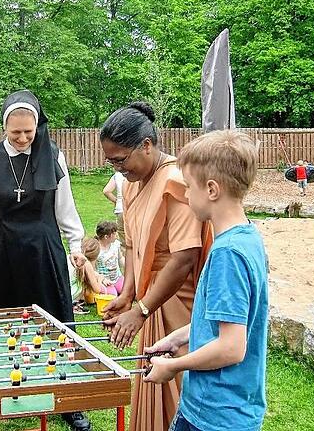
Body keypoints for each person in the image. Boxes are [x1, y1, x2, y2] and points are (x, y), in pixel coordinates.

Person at [0, 89, 90, 431]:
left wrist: (75, 244)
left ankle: (68, 398)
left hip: (42, 249)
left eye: (28, 132)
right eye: (15, 132)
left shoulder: (52, 155)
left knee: (56, 322)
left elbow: (65, 206)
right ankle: (0, 385)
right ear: (4, 127)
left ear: (37, 126)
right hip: (2, 249)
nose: (22, 139)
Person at [144, 130, 269, 431]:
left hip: (215, 416)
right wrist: (179, 337)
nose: (185, 195)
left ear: (212, 190)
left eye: (188, 187)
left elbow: (231, 348)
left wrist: (172, 367)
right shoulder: (248, 237)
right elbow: (224, 320)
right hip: (220, 409)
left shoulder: (227, 254)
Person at [99, 102, 213, 431]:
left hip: (180, 303)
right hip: (150, 298)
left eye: (121, 159)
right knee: (153, 384)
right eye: (111, 161)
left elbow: (184, 258)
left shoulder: (175, 182)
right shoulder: (131, 184)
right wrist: (129, 294)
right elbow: (133, 245)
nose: (117, 168)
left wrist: (142, 309)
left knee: (180, 388)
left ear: (146, 146)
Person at [94, 220, 124, 292]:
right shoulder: (96, 249)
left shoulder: (115, 244)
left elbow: (120, 258)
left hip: (117, 278)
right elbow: (92, 269)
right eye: (114, 233)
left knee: (129, 292)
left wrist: (131, 267)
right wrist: (101, 279)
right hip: (105, 281)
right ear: (106, 236)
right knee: (112, 296)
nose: (116, 235)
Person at [103, 170, 126, 246]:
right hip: (134, 208)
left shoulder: (117, 175)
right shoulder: (137, 173)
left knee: (123, 241)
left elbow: (106, 191)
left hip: (120, 210)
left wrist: (117, 201)